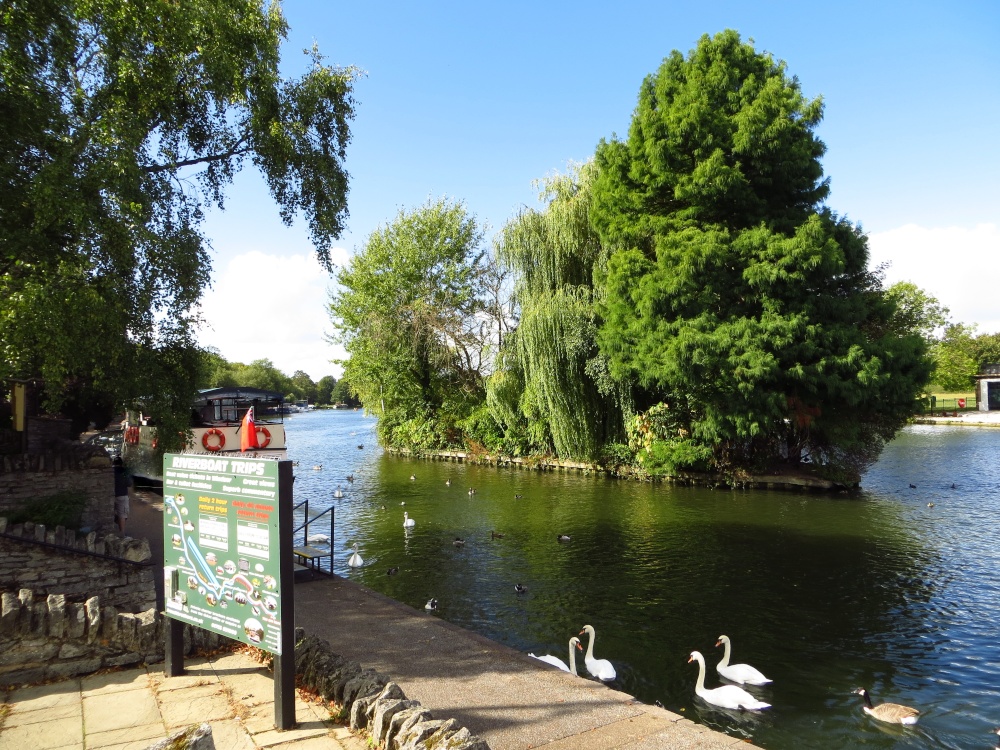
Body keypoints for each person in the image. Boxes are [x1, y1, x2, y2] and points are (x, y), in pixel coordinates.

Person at [112, 455, 132, 533]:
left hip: (111, 495)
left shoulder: (110, 471)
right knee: (123, 515)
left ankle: (113, 528)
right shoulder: (124, 471)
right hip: (122, 495)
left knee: (110, 513)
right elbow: (129, 483)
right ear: (121, 463)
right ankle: (122, 533)